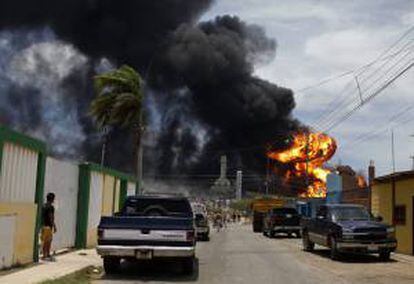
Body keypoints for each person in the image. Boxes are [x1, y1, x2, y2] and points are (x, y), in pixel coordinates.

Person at [41, 192, 56, 261]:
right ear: (52, 199)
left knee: (44, 241)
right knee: (48, 241)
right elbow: (51, 217)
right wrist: (54, 225)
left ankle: (44, 255)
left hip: (43, 226)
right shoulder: (51, 207)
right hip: (48, 226)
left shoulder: (43, 206)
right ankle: (47, 254)